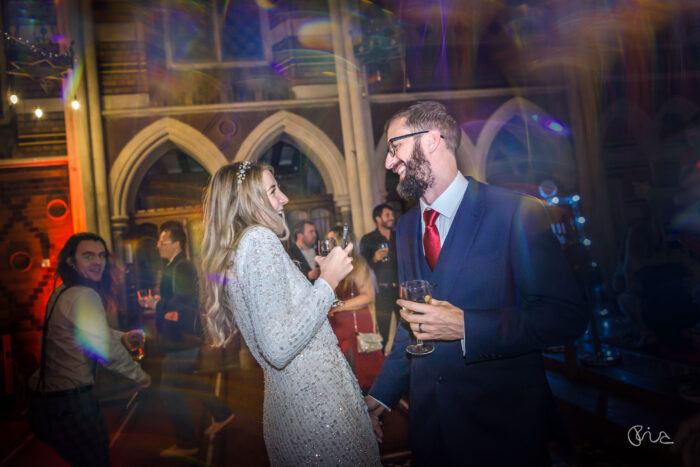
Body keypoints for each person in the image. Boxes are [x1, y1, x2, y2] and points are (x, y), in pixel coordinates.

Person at [365, 101, 588, 466]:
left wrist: (467, 326)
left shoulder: (515, 212)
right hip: (431, 433)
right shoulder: (405, 230)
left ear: (432, 140)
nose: (389, 162)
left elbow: (566, 316)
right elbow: (410, 328)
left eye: (395, 147)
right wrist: (381, 397)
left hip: (504, 430)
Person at [200, 161, 381, 466]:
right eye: (273, 191)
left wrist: (355, 414)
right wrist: (328, 282)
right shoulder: (258, 242)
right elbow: (278, 346)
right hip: (316, 410)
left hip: (302, 405)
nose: (284, 198)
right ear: (247, 201)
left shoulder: (242, 247)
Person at [28, 233, 150, 467]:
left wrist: (122, 336)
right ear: (71, 262)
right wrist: (141, 376)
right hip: (71, 405)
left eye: (101, 255)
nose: (98, 261)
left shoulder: (61, 291)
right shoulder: (85, 295)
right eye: (88, 256)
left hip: (42, 403)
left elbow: (84, 331)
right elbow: (106, 351)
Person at [139, 221, 234, 458]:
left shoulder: (181, 267)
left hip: (181, 338)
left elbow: (183, 301)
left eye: (163, 242)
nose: (158, 246)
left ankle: (187, 442)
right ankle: (222, 414)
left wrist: (157, 304)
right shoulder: (176, 265)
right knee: (187, 382)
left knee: (169, 391)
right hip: (180, 337)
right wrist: (162, 302)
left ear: (176, 244)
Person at [327, 227, 385, 392]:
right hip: (337, 325)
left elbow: (368, 296)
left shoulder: (357, 264)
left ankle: (372, 415)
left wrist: (338, 306)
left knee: (362, 377)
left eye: (331, 242)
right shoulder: (330, 266)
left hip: (356, 327)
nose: (327, 245)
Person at [360, 203, 399, 346]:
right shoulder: (368, 239)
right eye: (387, 215)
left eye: (392, 215)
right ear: (378, 219)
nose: (391, 218)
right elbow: (362, 267)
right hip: (381, 291)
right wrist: (374, 259)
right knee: (382, 331)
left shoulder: (398, 236)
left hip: (401, 290)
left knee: (407, 329)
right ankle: (381, 361)